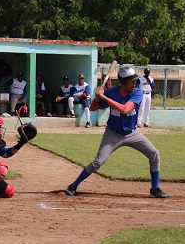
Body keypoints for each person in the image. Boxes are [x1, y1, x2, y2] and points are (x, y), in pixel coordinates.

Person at [64, 66, 170, 199]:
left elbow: (125, 109)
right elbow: (93, 108)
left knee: (154, 154)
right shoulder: (112, 92)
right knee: (98, 162)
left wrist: (104, 96)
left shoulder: (137, 93)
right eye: (132, 81)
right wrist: (97, 98)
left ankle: (154, 189)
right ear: (124, 82)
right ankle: (74, 185)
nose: (135, 83)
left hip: (132, 133)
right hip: (112, 134)